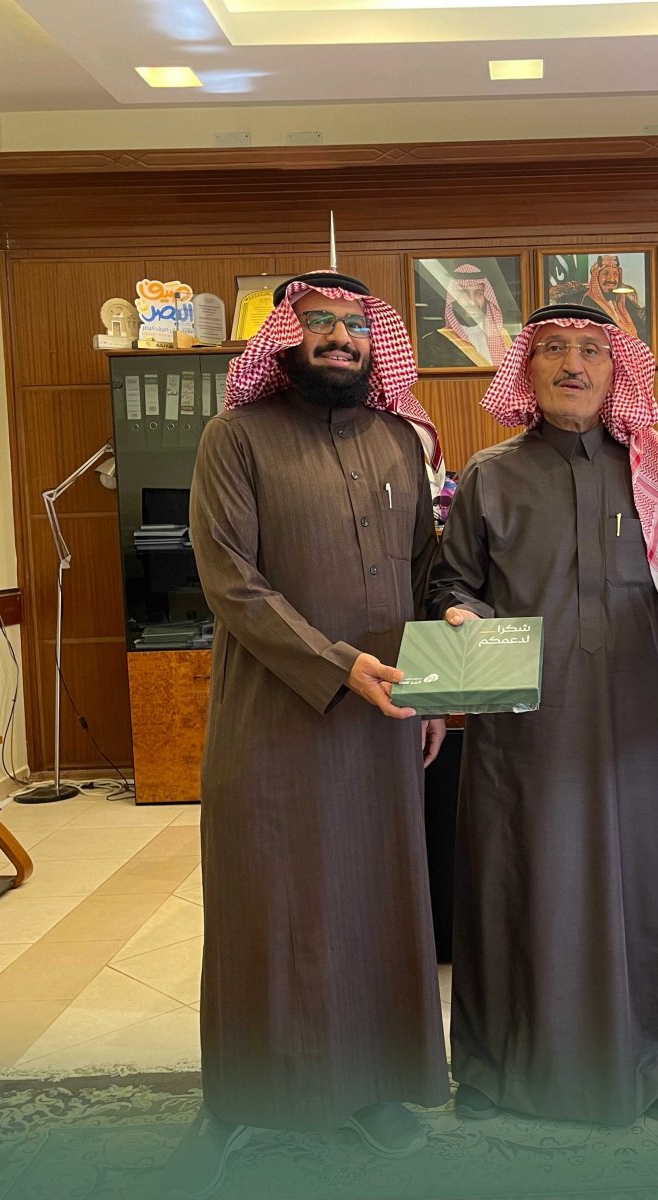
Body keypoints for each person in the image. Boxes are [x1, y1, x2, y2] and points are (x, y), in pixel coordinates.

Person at [173, 269, 450, 1197]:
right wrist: (337, 664)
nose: (340, 337)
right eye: (319, 322)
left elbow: (423, 576)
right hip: (273, 718)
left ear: (377, 344)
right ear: (285, 341)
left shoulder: (401, 441)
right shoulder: (234, 436)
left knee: (375, 900)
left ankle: (371, 1086)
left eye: (355, 325)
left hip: (384, 721)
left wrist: (434, 691)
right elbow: (231, 580)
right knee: (270, 905)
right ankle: (238, 1099)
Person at [427, 302, 658, 1127]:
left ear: (616, 371)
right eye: (553, 348)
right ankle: (491, 1072)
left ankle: (653, 1066)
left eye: (591, 349)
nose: (572, 364)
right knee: (513, 885)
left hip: (627, 727)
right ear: (526, 369)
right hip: (519, 730)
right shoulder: (489, 475)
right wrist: (457, 612)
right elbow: (450, 582)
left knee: (636, 886)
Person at [418, 262, 513, 368]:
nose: (471, 302)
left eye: (478, 293)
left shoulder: (503, 337)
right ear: (453, 298)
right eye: (463, 293)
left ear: (486, 298)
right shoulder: (432, 342)